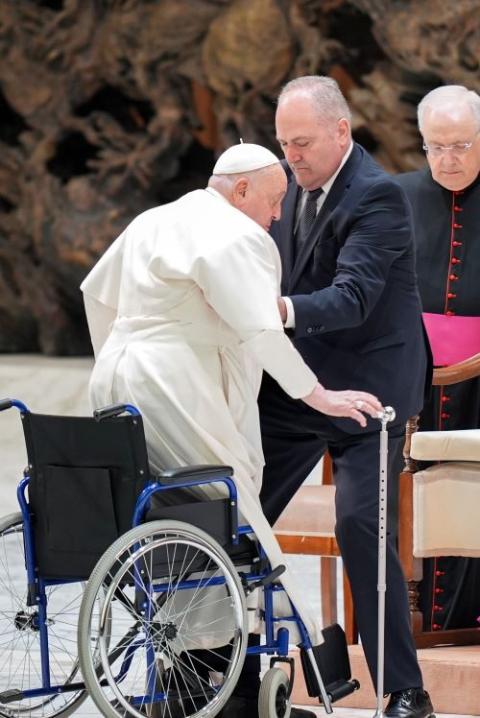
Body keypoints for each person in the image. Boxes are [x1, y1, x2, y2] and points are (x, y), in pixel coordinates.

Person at [80, 142, 382, 718]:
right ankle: (261, 668)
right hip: (174, 380)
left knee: (175, 513)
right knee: (228, 507)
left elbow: (98, 295)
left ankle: (195, 672)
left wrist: (114, 368)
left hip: (118, 375)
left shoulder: (156, 218)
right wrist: (319, 396)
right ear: (242, 189)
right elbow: (263, 332)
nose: (275, 216)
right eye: (273, 202)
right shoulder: (236, 234)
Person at [254, 76, 433, 718]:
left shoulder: (379, 196)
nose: (290, 156)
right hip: (304, 384)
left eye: (301, 143)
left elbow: (352, 298)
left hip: (368, 390)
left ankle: (405, 690)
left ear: (340, 132)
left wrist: (266, 310)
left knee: (361, 526)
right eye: (282, 143)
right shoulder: (285, 184)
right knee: (231, 501)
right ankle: (217, 667)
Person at [396, 85, 480, 634]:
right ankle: (408, 626)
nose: (447, 159)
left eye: (460, 145)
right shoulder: (397, 196)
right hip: (411, 375)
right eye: (435, 148)